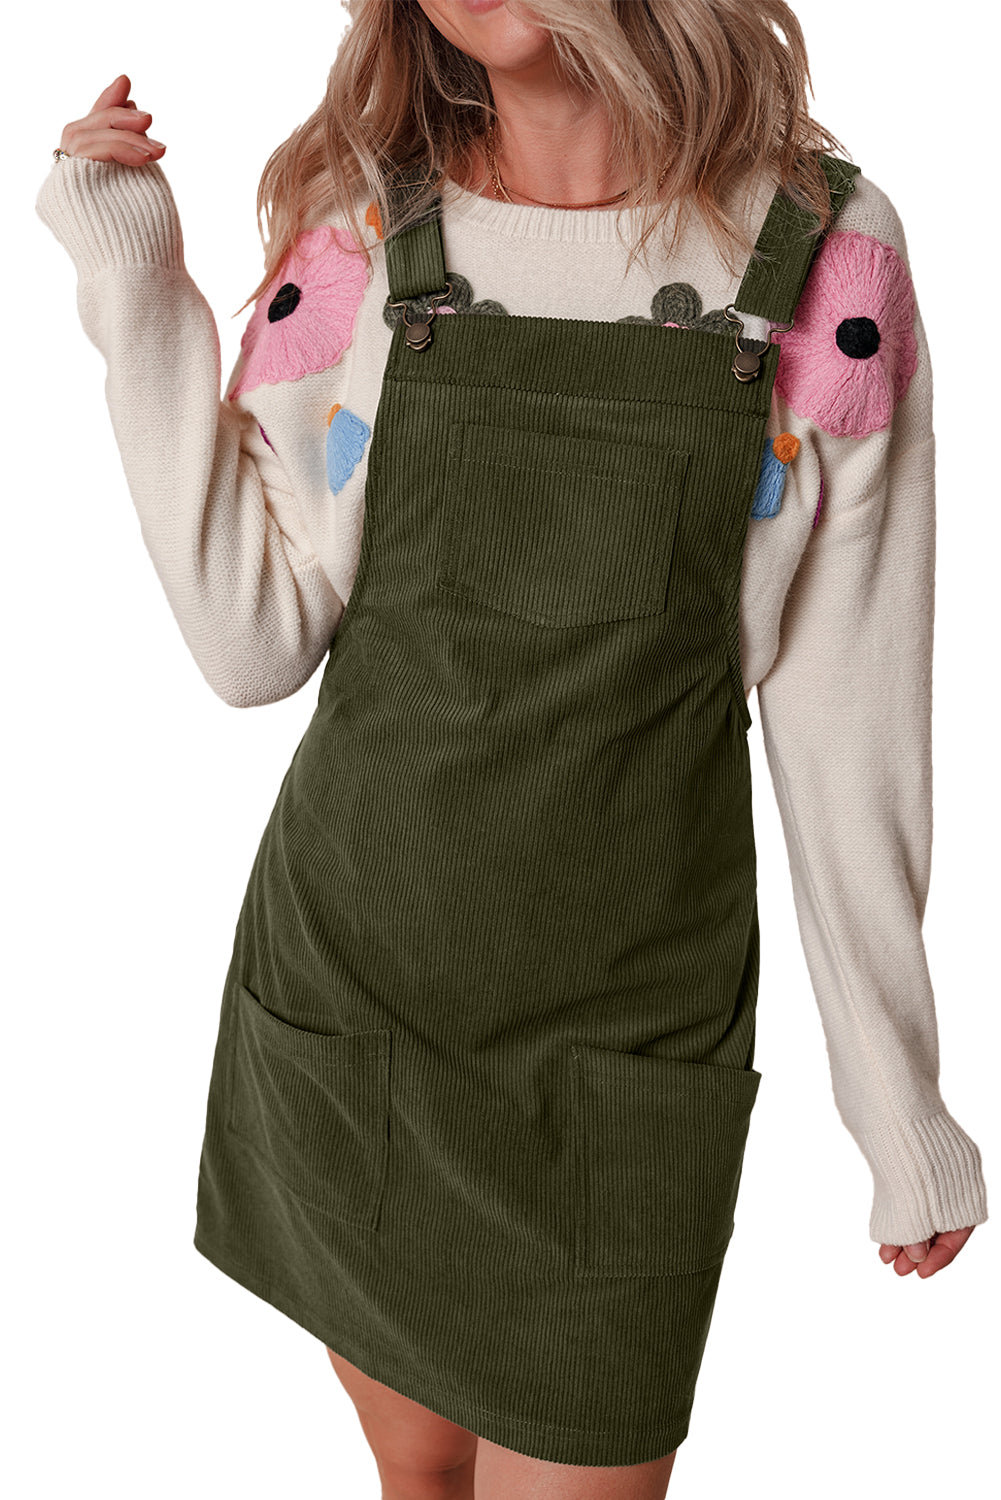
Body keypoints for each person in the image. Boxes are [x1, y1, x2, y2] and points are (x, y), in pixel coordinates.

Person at [37, 1, 988, 1495]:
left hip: (623, 1056)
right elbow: (250, 639)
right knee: (418, 1480)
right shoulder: (363, 229)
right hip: (356, 1009)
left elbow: (848, 717)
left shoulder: (822, 255)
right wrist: (135, 283)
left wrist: (898, 1103)